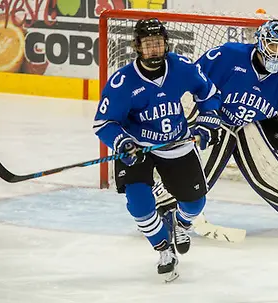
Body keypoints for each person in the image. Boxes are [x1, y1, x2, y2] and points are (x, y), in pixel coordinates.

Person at [154, 19, 278, 240]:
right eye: (271, 44)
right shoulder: (228, 55)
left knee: (268, 171)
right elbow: (194, 82)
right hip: (215, 118)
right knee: (199, 166)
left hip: (253, 126)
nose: (276, 51)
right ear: (259, 42)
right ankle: (164, 207)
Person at [93, 18, 222, 282]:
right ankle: (164, 249)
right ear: (137, 47)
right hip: (138, 148)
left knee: (195, 203)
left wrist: (207, 123)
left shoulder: (182, 68)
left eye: (159, 44)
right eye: (148, 44)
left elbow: (209, 94)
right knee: (139, 204)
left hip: (176, 142)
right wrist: (123, 143)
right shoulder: (123, 82)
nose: (154, 50)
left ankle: (181, 224)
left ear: (166, 45)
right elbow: (104, 123)